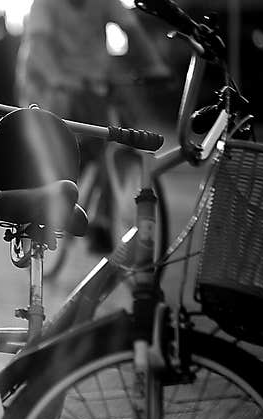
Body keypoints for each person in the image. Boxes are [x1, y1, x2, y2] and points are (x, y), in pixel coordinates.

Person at [15, 0, 170, 253]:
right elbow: (39, 47)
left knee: (114, 141)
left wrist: (154, 65)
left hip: (94, 83)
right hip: (46, 82)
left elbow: (133, 30)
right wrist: (57, 78)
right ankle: (45, 197)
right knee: (60, 139)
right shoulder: (45, 4)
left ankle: (102, 218)